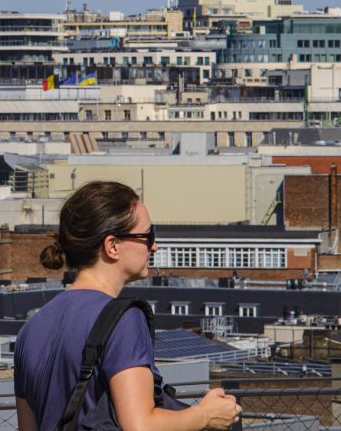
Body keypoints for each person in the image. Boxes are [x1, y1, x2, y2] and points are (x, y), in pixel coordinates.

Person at [14, 181, 242, 431]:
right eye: (148, 236)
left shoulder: (31, 328)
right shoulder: (123, 319)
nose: (153, 246)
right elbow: (140, 425)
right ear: (112, 246)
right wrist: (205, 415)